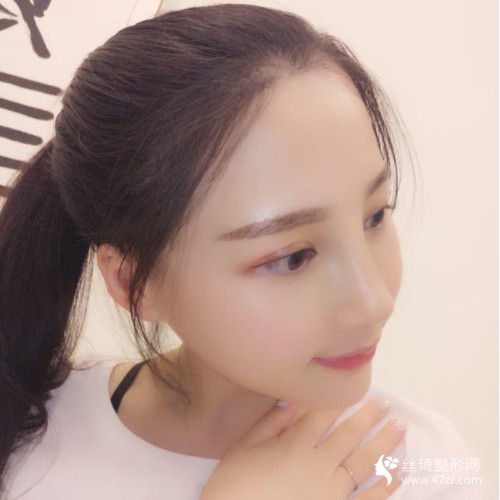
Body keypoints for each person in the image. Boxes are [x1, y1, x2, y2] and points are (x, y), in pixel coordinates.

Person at [0, 4, 483, 500]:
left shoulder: (430, 467)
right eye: (293, 257)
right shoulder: (25, 436)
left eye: (375, 216)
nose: (374, 301)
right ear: (133, 282)